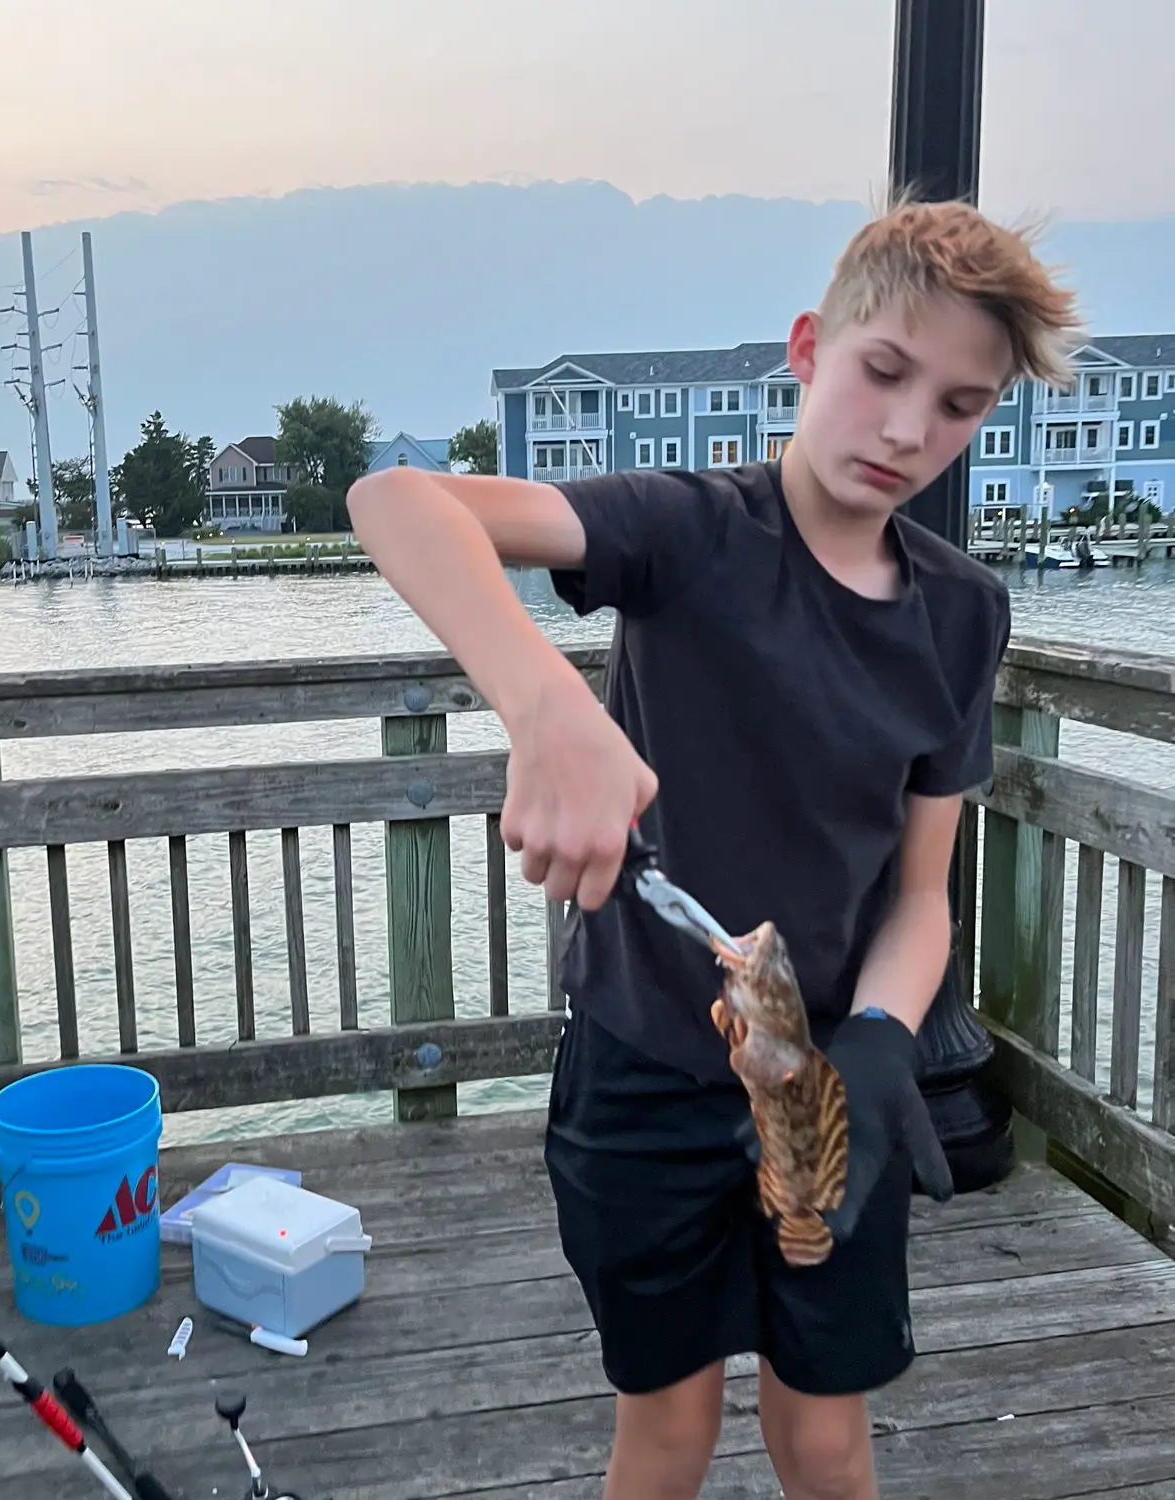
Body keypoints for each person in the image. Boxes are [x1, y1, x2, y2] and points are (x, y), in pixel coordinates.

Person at [345, 194, 1081, 1500]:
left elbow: (922, 896)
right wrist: (547, 707)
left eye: (962, 404)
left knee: (823, 1433)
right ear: (810, 348)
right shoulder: (688, 530)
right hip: (646, 1072)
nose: (912, 430)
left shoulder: (963, 615)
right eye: (885, 372)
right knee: (670, 1431)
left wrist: (882, 1043)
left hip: (825, 1085)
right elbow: (399, 501)